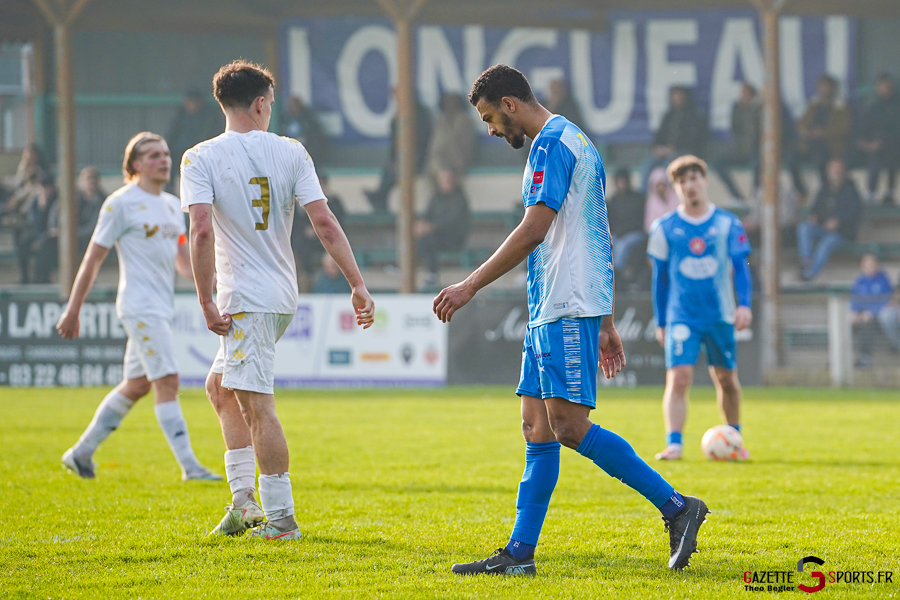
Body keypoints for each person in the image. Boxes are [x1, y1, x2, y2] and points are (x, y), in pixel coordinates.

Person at [434, 64, 708, 576]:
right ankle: (519, 554)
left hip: (563, 303)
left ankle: (678, 507)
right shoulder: (575, 140)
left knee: (568, 426)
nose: (492, 130)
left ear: (510, 104)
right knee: (536, 427)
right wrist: (605, 320)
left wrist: (469, 284)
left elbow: (535, 229)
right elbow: (594, 231)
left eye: (492, 118)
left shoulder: (552, 145)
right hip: (556, 304)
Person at [180, 60, 375, 541]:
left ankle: (282, 521)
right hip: (279, 295)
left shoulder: (198, 157)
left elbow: (200, 230)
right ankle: (244, 502)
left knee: (257, 406)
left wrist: (204, 299)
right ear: (262, 103)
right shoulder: (291, 151)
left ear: (221, 102)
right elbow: (324, 223)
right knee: (221, 389)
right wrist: (357, 282)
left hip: (244, 299)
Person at [56, 132, 220, 482]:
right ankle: (190, 467)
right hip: (138, 306)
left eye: (165, 153)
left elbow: (181, 261)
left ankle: (81, 453)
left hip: (160, 306)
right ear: (135, 165)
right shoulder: (120, 203)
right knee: (168, 381)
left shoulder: (174, 206)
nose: (164, 160)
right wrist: (73, 309)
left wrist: (213, 280)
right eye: (154, 155)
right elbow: (92, 259)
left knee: (137, 385)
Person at [647, 155, 753, 462]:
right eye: (682, 181)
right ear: (676, 188)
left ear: (704, 181)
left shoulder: (727, 224)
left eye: (694, 179)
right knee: (679, 377)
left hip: (720, 313)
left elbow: (742, 269)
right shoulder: (664, 227)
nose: (689, 186)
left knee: (727, 379)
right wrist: (661, 320)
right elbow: (660, 278)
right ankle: (674, 443)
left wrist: (744, 305)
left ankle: (735, 439)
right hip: (682, 315)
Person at [364, 90, 432, 211]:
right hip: (402, 158)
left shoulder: (419, 114)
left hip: (419, 157)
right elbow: (394, 145)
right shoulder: (397, 116)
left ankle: (380, 197)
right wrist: (393, 160)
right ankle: (380, 198)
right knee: (389, 169)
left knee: (397, 169)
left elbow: (423, 141)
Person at [796, 158, 862, 281]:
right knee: (804, 228)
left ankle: (809, 274)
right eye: (832, 170)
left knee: (826, 243)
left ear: (844, 172)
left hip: (842, 234)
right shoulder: (824, 189)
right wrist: (814, 216)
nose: (835, 173)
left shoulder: (851, 190)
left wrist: (838, 221)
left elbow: (855, 213)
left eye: (838, 170)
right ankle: (805, 260)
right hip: (823, 229)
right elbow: (815, 208)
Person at [639, 87, 707, 191]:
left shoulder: (695, 116)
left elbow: (694, 140)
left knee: (668, 167)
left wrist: (673, 149)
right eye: (674, 96)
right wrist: (658, 148)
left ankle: (669, 196)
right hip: (666, 152)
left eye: (679, 96)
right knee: (648, 164)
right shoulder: (669, 115)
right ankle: (644, 195)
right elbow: (659, 136)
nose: (677, 99)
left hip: (684, 152)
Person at [415, 169, 470, 286]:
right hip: (435, 235)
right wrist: (421, 224)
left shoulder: (459, 199)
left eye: (449, 181)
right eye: (444, 181)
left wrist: (431, 226)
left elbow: (451, 221)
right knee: (418, 235)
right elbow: (427, 214)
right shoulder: (435, 197)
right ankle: (404, 264)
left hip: (454, 238)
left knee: (429, 238)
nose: (447, 183)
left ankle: (432, 274)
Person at [797, 75, 851, 190]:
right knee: (792, 158)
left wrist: (822, 133)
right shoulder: (814, 104)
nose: (823, 89)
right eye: (821, 87)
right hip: (810, 142)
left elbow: (842, 128)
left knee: (820, 158)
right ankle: (801, 191)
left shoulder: (840, 105)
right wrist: (804, 130)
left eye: (826, 86)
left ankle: (826, 188)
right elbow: (802, 121)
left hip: (831, 145)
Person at [711, 82, 761, 202]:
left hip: (755, 150)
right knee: (718, 163)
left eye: (746, 94)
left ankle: (756, 197)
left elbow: (755, 132)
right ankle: (737, 196)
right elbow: (735, 128)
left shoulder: (759, 110)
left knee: (758, 164)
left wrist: (751, 109)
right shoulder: (737, 109)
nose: (742, 97)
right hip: (740, 151)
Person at [166, 89, 223, 194]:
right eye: (189, 102)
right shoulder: (180, 116)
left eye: (194, 102)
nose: (191, 105)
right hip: (178, 152)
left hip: (201, 154)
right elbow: (171, 136)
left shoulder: (209, 117)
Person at [291, 174, 347, 278]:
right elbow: (298, 224)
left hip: (329, 240)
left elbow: (339, 224)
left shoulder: (334, 202)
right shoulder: (303, 204)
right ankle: (307, 274)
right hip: (310, 242)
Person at [858, 74, 900, 205]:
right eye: (881, 86)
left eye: (887, 86)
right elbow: (865, 127)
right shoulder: (872, 106)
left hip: (893, 144)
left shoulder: (896, 105)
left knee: (892, 159)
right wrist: (866, 142)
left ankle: (890, 192)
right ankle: (871, 192)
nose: (884, 89)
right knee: (874, 159)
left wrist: (883, 141)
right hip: (875, 145)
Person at [850, 254, 897, 368]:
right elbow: (854, 299)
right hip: (862, 313)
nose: (869, 268)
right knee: (845, 325)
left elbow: (886, 300)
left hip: (876, 315)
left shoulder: (883, 279)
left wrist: (871, 312)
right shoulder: (860, 281)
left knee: (868, 324)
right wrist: (853, 312)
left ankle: (865, 359)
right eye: (866, 266)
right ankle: (838, 358)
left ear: (877, 266)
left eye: (872, 265)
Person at [426, 93, 476, 181]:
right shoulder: (441, 120)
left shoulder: (464, 121)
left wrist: (450, 169)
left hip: (456, 164)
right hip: (437, 166)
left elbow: (466, 147)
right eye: (447, 102)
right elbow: (435, 146)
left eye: (453, 102)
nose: (450, 105)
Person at [605, 168, 646, 275]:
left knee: (621, 246)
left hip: (634, 233)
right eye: (618, 181)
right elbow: (610, 222)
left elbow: (638, 221)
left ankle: (617, 274)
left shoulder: (638, 198)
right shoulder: (613, 200)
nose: (620, 184)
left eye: (622, 181)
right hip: (616, 235)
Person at [283, 95, 328, 164]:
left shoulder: (309, 122)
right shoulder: (284, 121)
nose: (291, 109)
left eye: (293, 106)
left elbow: (316, 142)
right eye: (289, 106)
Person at [76, 166, 107, 253]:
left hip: (90, 242)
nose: (91, 182)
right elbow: (57, 214)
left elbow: (93, 228)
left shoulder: (103, 202)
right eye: (88, 178)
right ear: (81, 181)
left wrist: (73, 234)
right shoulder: (74, 199)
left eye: (94, 179)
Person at [644, 167, 680, 235]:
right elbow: (649, 225)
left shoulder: (676, 198)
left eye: (663, 184)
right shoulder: (651, 203)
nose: (661, 188)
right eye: (658, 185)